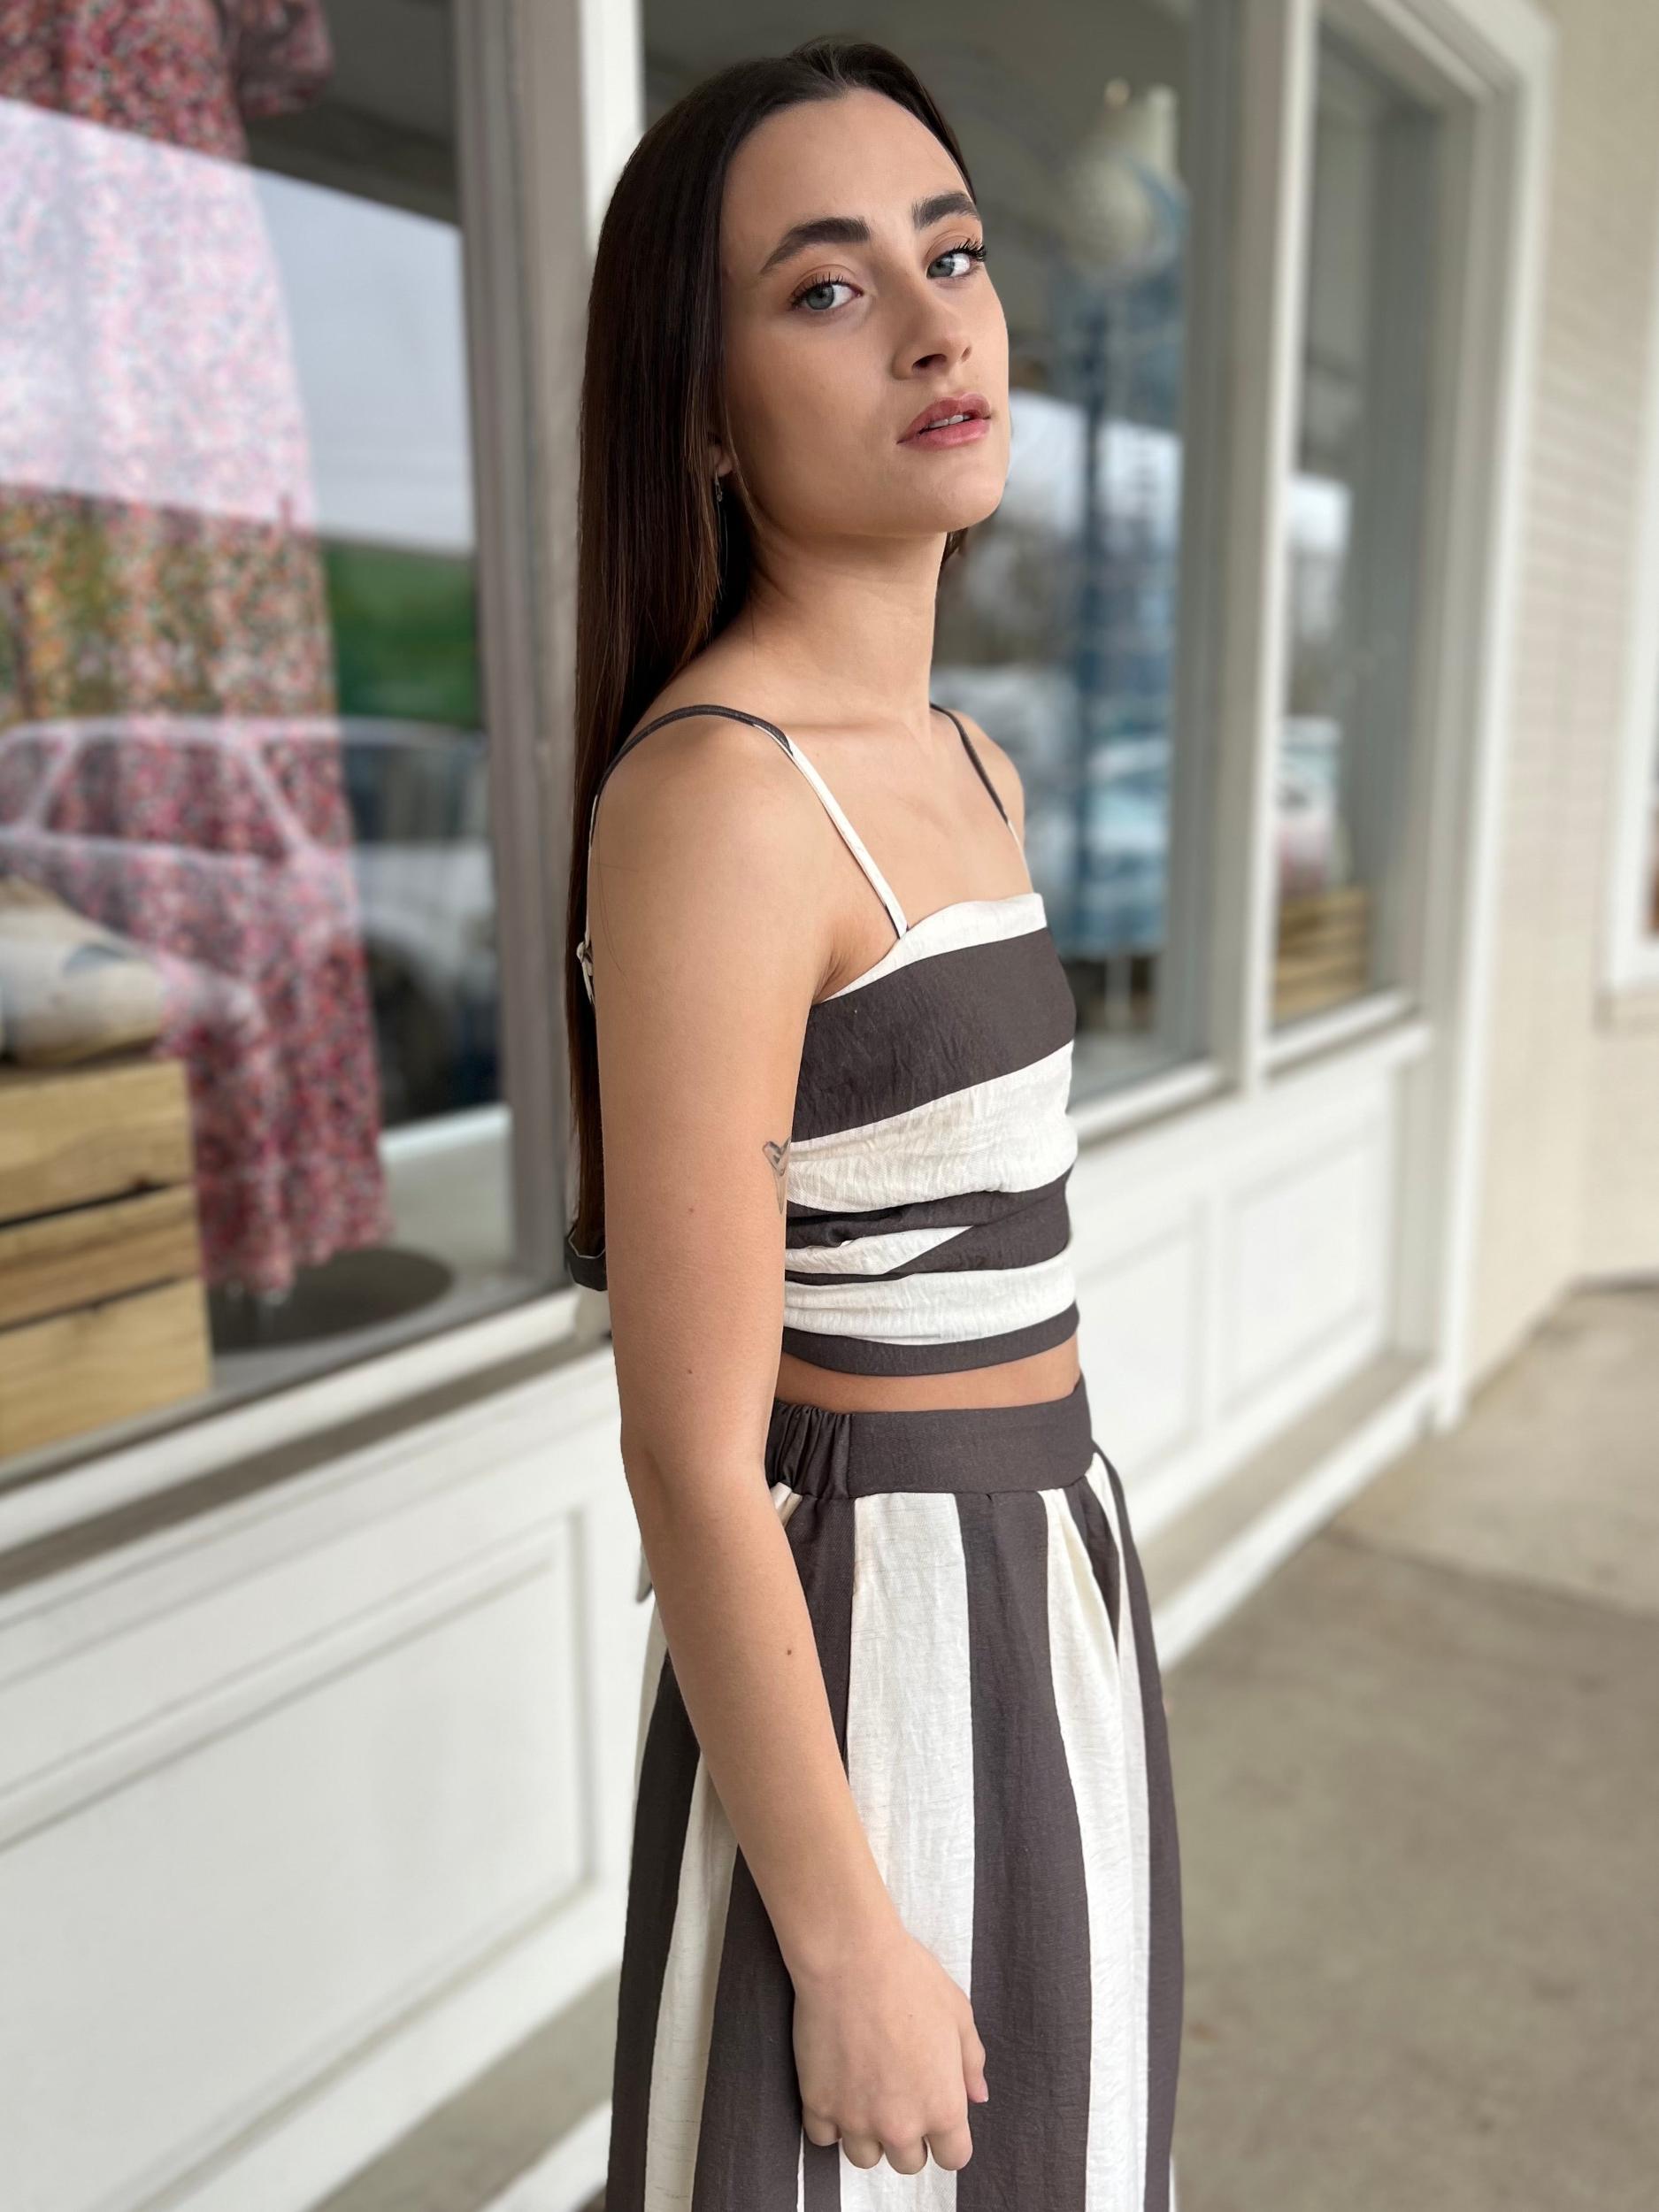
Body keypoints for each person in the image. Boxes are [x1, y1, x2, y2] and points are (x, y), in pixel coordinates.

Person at [564, 35, 1182, 2207]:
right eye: (826, 288)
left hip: (1043, 1558)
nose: (934, 325)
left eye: (956, 255)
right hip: (868, 1626)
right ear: (701, 415)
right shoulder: (721, 800)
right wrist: (837, 1934)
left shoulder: (966, 758)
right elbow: (688, 1450)